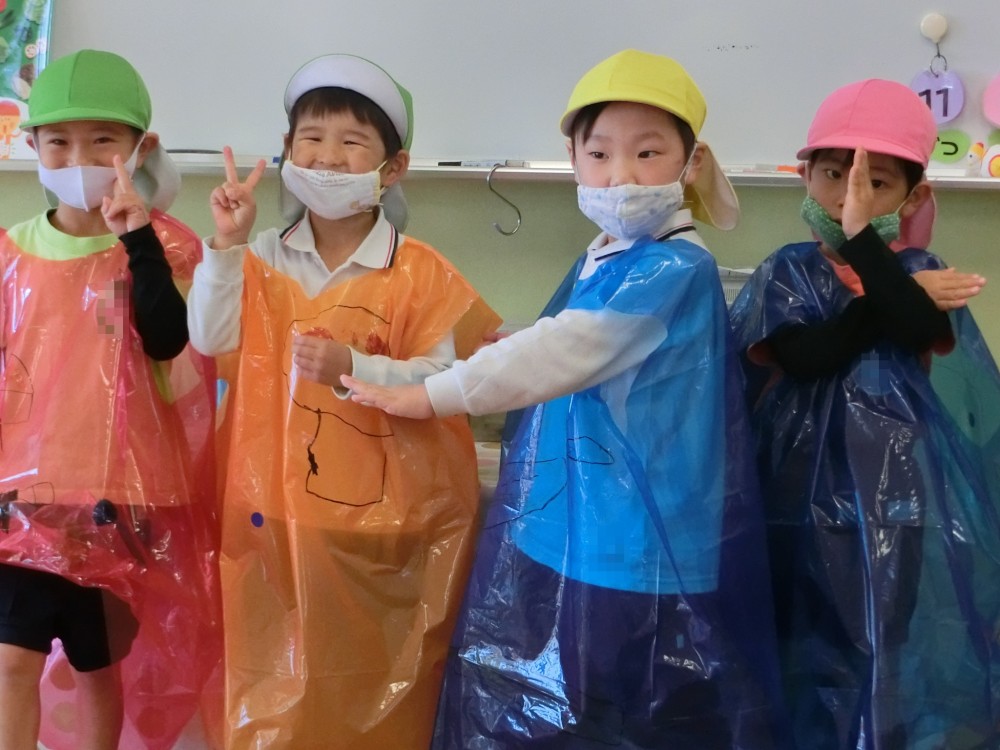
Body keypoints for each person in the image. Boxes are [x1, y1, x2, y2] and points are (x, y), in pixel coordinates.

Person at [344, 49, 787, 749]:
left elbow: (570, 348)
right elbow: (579, 343)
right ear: (574, 157)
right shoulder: (613, 251)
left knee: (602, 717)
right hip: (585, 525)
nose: (621, 175)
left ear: (691, 162)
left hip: (635, 546)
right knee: (571, 710)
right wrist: (517, 343)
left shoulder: (673, 265)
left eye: (647, 153)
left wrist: (430, 395)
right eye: (600, 153)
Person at [185, 53, 500, 748]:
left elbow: (441, 380)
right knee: (269, 680)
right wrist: (225, 247)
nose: (327, 156)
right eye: (312, 137)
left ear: (393, 167)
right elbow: (209, 338)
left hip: (375, 529)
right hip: (268, 518)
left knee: (363, 686)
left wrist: (353, 365)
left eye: (352, 141)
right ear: (287, 150)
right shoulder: (260, 257)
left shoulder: (419, 272)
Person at [729, 78, 1000, 749]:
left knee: (879, 635)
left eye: (875, 184)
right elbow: (810, 356)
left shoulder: (923, 268)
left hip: (893, 500)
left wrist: (865, 250)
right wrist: (888, 287)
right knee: (797, 631)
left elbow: (917, 328)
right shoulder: (787, 271)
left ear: (913, 198)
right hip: (792, 493)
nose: (848, 197)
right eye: (833, 175)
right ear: (804, 176)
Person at [0, 50, 221, 750]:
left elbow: (168, 340)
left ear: (140, 148)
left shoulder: (167, 249)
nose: (79, 158)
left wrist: (137, 238)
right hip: (24, 500)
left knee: (99, 665)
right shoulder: (11, 252)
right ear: (32, 146)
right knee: (10, 663)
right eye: (59, 142)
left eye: (102, 140)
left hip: (122, 500)